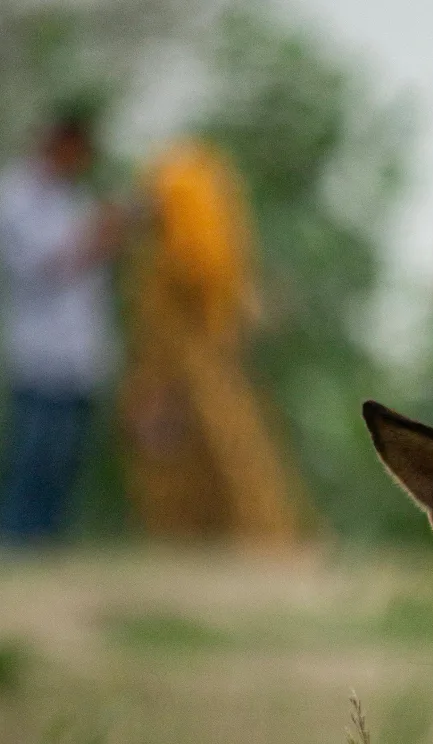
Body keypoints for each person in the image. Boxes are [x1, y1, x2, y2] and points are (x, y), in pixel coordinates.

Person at [119, 138, 307, 553]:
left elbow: (200, 267)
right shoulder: (192, 191)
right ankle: (241, 537)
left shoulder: (180, 195)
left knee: (210, 442)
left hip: (194, 350)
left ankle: (236, 538)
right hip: (196, 350)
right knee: (203, 441)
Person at [0, 104, 122, 548]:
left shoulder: (71, 197)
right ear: (61, 144)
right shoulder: (13, 197)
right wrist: (99, 237)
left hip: (79, 351)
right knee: (33, 455)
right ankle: (16, 542)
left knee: (66, 459)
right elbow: (41, 268)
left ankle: (47, 544)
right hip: (38, 351)